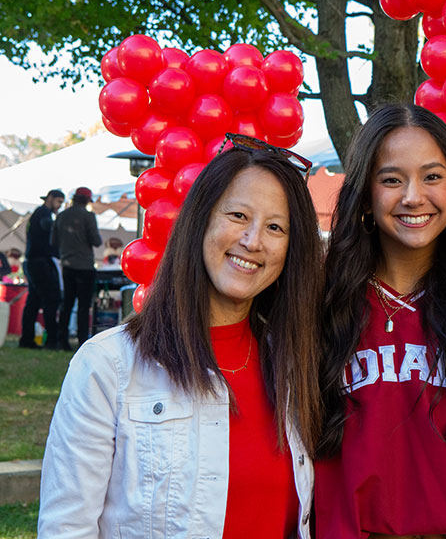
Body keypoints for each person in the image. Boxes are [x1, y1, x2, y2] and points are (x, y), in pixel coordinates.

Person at [38, 135, 324, 538]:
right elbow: (66, 529)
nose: (253, 240)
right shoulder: (108, 365)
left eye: (275, 227)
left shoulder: (296, 367)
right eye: (238, 215)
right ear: (201, 219)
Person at [314, 104, 446, 539]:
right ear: (365, 196)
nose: (413, 196)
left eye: (432, 176)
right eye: (392, 180)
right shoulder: (319, 303)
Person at [50, 186, 102, 350]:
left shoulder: (61, 216)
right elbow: (96, 241)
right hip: (85, 266)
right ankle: (82, 341)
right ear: (86, 201)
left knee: (67, 304)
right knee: (83, 306)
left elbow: (53, 242)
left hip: (67, 265)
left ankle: (62, 340)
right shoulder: (88, 216)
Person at [19, 189, 64, 349]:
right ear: (50, 198)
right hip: (40, 262)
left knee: (33, 301)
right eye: (59, 202)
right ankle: (51, 340)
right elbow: (47, 226)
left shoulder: (38, 213)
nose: (59, 206)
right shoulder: (43, 213)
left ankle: (27, 339)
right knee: (50, 300)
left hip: (32, 261)